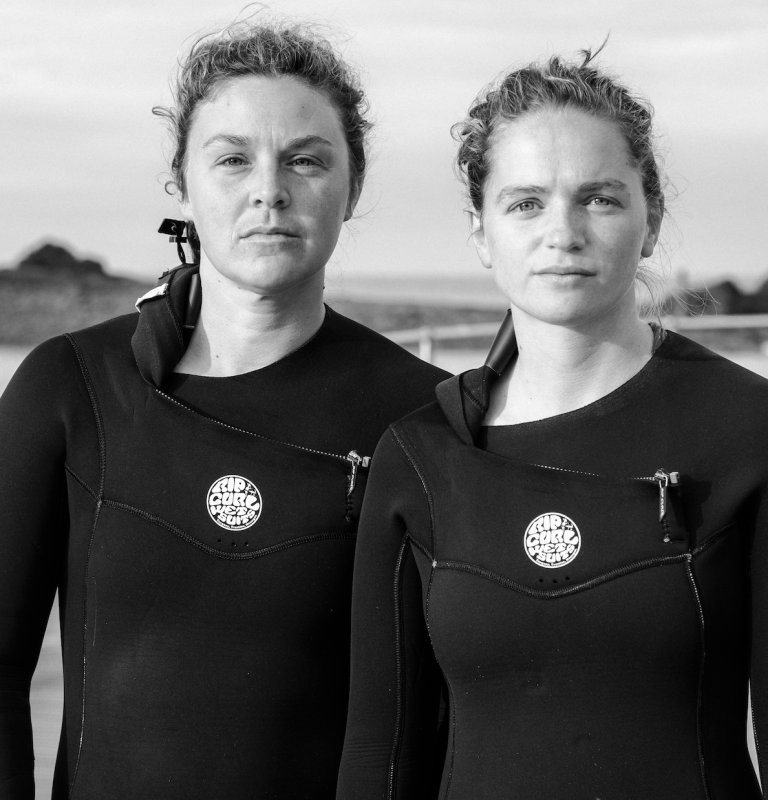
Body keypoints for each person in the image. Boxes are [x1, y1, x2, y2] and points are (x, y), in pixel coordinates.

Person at [0, 17, 448, 800]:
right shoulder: (72, 386)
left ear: (355, 186)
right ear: (182, 182)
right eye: (233, 158)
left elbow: (435, 719)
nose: (268, 189)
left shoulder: (416, 416)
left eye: (306, 160)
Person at [337, 48, 768, 799]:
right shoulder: (422, 455)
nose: (564, 232)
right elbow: (377, 757)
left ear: (650, 221)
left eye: (600, 199)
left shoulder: (758, 431)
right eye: (526, 203)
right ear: (482, 233)